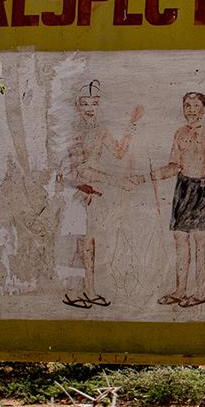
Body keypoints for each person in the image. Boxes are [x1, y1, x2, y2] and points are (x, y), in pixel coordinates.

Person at [130, 91, 205, 308]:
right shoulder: (179, 133)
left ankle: (201, 291)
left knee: (200, 241)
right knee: (180, 241)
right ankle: (180, 290)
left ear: (204, 109)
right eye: (187, 105)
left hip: (201, 189)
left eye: (195, 105)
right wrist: (144, 178)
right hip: (182, 189)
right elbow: (173, 166)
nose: (191, 110)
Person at [56, 80, 142, 308]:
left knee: (88, 245)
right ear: (77, 105)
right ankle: (76, 292)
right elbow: (81, 169)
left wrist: (132, 125)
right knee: (80, 244)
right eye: (85, 103)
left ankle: (87, 291)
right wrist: (116, 180)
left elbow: (119, 153)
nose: (90, 108)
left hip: (94, 193)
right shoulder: (74, 133)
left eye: (94, 103)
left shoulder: (100, 130)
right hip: (78, 192)